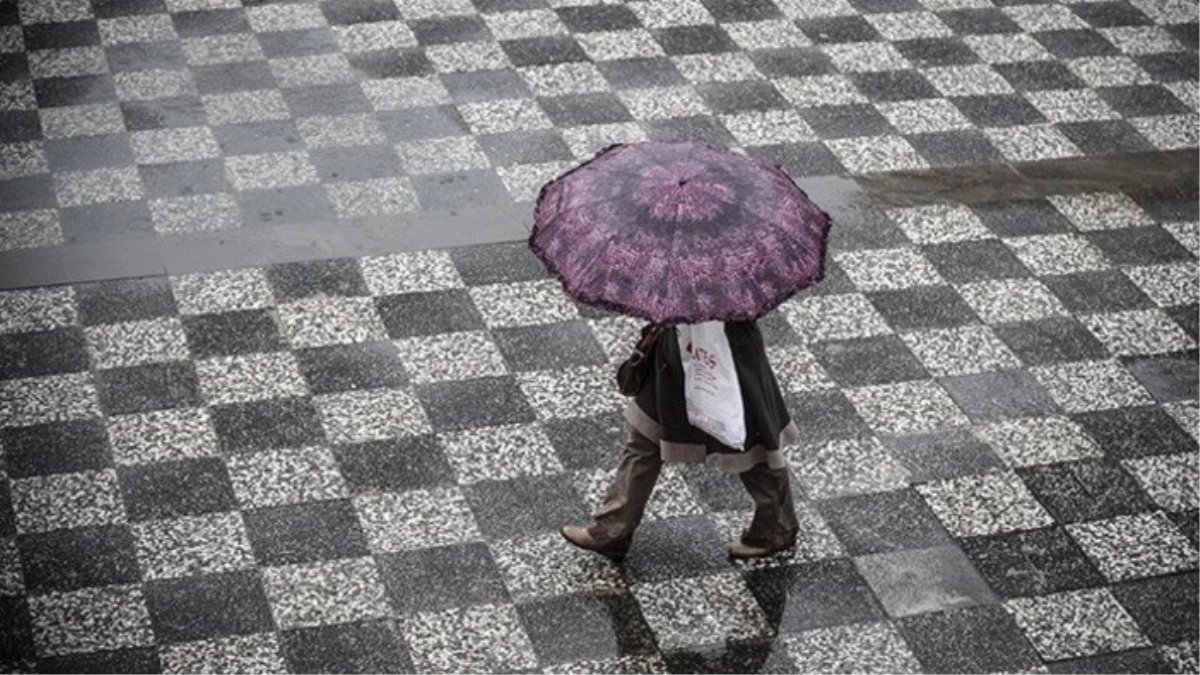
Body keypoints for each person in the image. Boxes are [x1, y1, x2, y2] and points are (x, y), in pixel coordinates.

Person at [562, 320, 800, 561]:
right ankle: (612, 529)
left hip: (727, 352)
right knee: (645, 435)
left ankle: (777, 525)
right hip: (676, 347)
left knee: (749, 441)